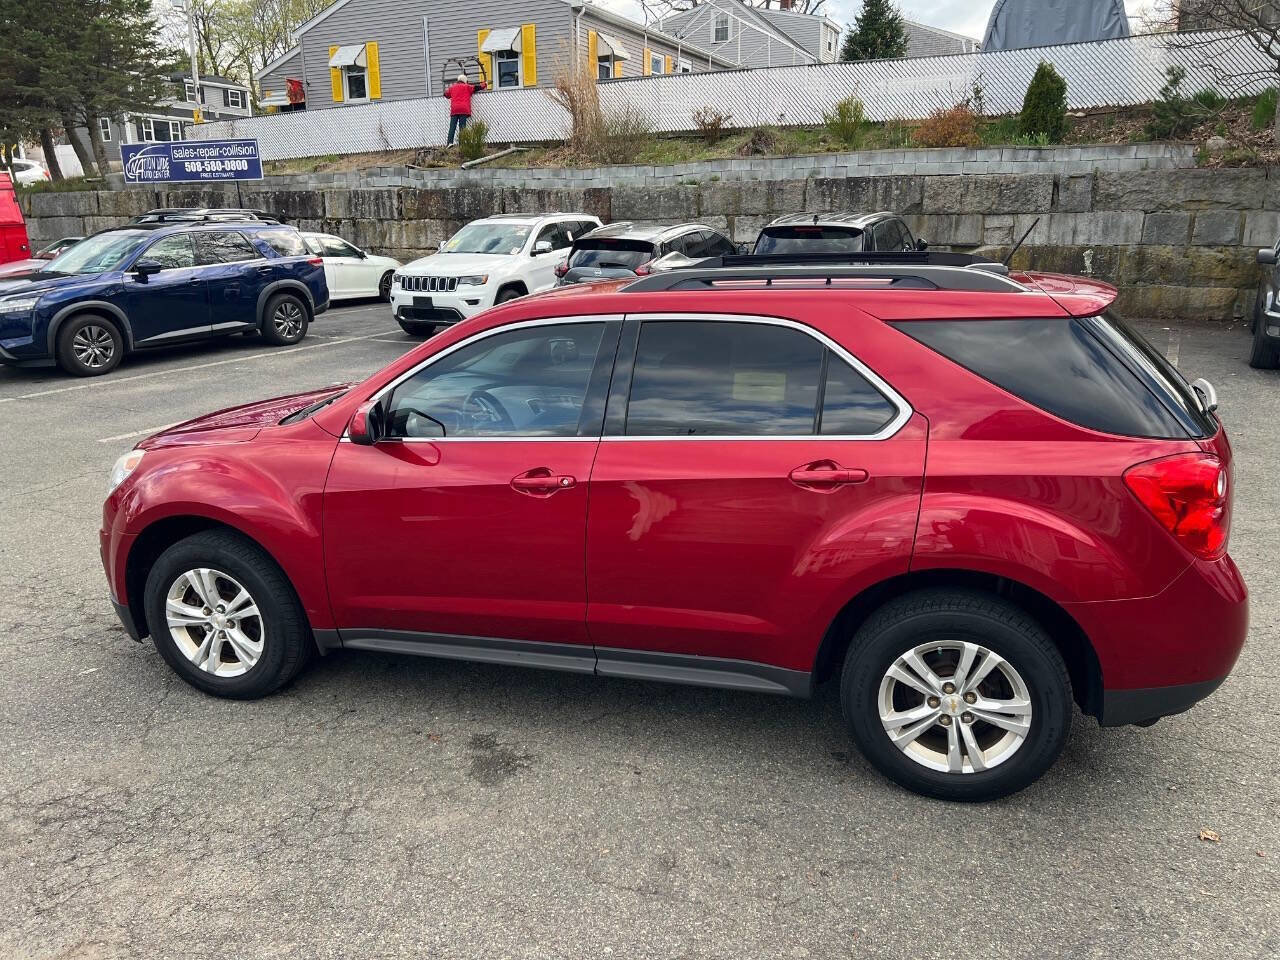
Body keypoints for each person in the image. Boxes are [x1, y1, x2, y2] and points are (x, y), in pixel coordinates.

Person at [445, 72, 487, 146]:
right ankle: (462, 144)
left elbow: (446, 94)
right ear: (465, 80)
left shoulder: (452, 87)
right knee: (462, 127)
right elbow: (477, 88)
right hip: (463, 109)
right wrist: (485, 84)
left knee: (452, 126)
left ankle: (449, 143)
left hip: (454, 109)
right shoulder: (467, 87)